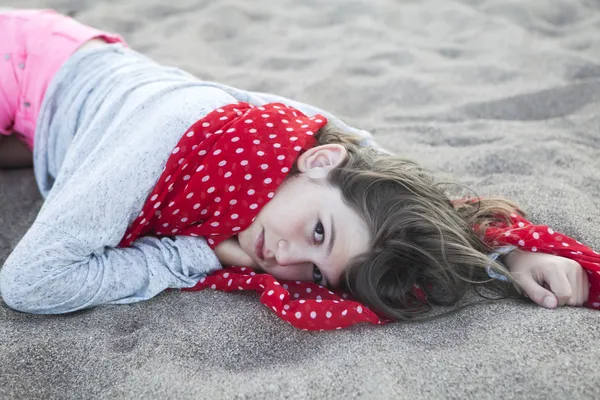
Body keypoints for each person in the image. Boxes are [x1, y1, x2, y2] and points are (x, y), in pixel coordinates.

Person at [0, 9, 589, 320]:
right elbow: (30, 284)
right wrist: (192, 254)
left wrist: (509, 253)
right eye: (316, 232)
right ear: (320, 160)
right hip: (23, 58)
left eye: (313, 273)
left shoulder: (321, 158)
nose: (284, 259)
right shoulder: (155, 150)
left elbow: (412, 211)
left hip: (77, 85)